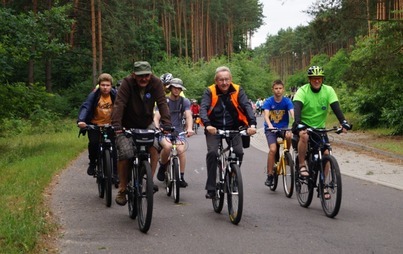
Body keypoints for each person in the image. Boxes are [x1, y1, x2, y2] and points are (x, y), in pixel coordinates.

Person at [111, 61, 172, 206]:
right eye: (140, 76)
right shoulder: (127, 83)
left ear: (151, 74)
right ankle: (123, 188)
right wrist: (117, 126)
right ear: (133, 75)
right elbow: (119, 104)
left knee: (155, 147)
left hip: (146, 123)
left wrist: (167, 123)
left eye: (146, 75)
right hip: (125, 124)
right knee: (126, 153)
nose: (144, 79)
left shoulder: (156, 83)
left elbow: (162, 103)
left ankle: (149, 180)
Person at [292, 66, 351, 199]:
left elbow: (336, 108)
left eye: (319, 78)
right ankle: (302, 164)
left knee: (326, 153)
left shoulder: (328, 90)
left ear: (322, 79)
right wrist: (298, 124)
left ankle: (323, 185)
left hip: (319, 128)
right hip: (304, 126)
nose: (317, 81)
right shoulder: (303, 91)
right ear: (309, 79)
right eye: (314, 78)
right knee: (304, 136)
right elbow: (297, 108)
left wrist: (343, 122)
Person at [200, 66, 257, 199]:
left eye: (227, 79)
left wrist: (252, 124)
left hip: (234, 127)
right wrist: (207, 125)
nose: (224, 83)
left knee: (238, 152)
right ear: (216, 81)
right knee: (213, 153)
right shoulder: (210, 91)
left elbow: (247, 106)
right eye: (221, 80)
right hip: (214, 127)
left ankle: (233, 177)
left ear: (231, 79)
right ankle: (211, 187)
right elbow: (203, 108)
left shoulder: (237, 90)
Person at [154, 78, 194, 187]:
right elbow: (157, 117)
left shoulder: (184, 101)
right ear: (170, 88)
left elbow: (188, 115)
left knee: (181, 150)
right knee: (167, 147)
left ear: (181, 90)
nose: (176, 90)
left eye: (179, 88)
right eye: (174, 88)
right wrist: (157, 128)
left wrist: (189, 128)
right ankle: (162, 166)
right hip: (164, 131)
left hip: (178, 132)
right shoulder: (164, 101)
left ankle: (181, 176)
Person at [77, 73, 117, 178]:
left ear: (111, 86)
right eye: (103, 85)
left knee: (115, 148)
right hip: (95, 125)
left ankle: (116, 173)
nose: (105, 87)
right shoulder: (94, 95)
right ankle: (93, 163)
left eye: (107, 85)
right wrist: (81, 120)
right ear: (99, 85)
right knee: (94, 143)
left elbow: (123, 107)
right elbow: (86, 107)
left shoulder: (114, 95)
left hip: (110, 125)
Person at [262, 79, 294, 187]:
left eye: (280, 88)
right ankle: (270, 174)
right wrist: (270, 126)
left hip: (283, 128)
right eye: (276, 88)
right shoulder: (268, 102)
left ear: (283, 89)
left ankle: (286, 154)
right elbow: (266, 115)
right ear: (273, 89)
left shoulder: (287, 101)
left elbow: (292, 113)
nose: (278, 91)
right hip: (271, 129)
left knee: (289, 135)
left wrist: (296, 123)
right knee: (273, 149)